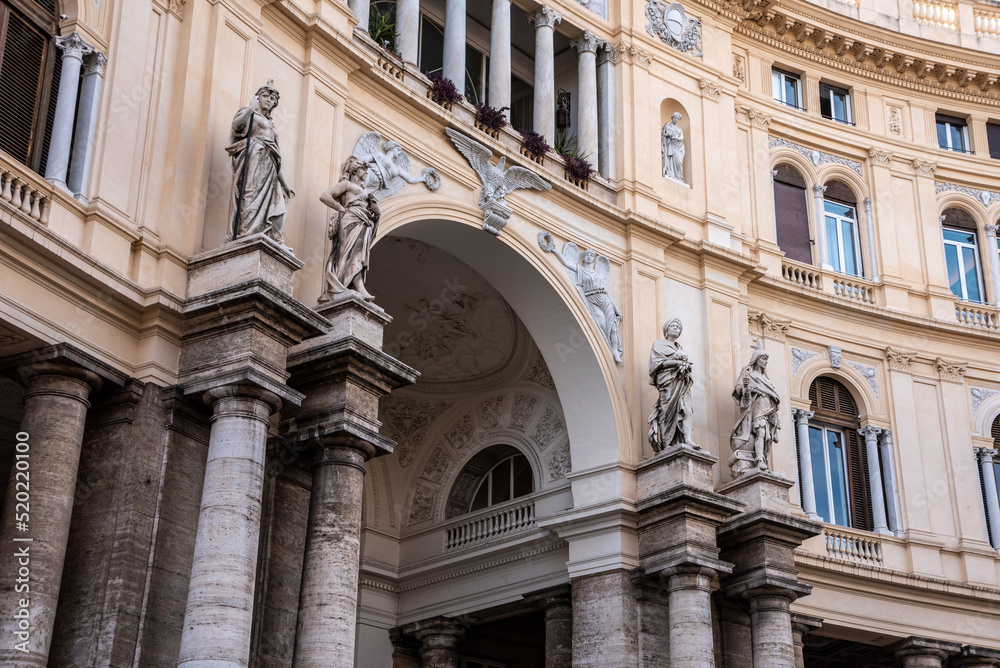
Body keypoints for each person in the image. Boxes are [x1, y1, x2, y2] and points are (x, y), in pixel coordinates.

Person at [227, 79, 295, 246]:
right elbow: (236, 126)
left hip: (270, 166)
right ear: (258, 97)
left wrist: (285, 185)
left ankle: (275, 239)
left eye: (272, 99)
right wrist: (250, 108)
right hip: (254, 160)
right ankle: (247, 233)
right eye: (265, 96)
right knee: (250, 196)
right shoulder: (249, 114)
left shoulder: (272, 126)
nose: (269, 100)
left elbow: (277, 159)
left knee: (277, 204)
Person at [319, 157, 380, 302]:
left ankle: (356, 286)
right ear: (355, 170)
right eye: (363, 169)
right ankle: (342, 286)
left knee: (359, 255)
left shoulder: (364, 190)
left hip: (364, 223)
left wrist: (376, 212)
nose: (366, 173)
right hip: (350, 220)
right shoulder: (346, 184)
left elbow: (375, 213)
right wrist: (341, 209)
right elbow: (325, 196)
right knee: (347, 253)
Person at [647, 318, 696, 451]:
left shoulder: (680, 348)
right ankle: (666, 443)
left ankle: (687, 439)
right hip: (667, 381)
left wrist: (685, 367)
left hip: (682, 381)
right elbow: (656, 364)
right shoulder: (658, 345)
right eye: (673, 326)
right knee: (666, 410)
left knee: (686, 409)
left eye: (678, 327)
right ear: (666, 330)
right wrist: (676, 363)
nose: (675, 328)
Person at [729, 347, 781, 474]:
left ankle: (764, 460)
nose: (766, 362)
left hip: (769, 408)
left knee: (767, 437)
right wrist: (746, 387)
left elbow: (773, 394)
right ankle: (759, 460)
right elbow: (739, 389)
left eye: (767, 359)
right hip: (756, 407)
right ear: (756, 359)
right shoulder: (748, 374)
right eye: (763, 358)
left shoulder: (766, 379)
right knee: (761, 430)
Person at [661, 112, 685, 182]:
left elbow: (682, 138)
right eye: (675, 118)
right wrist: (668, 134)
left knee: (679, 161)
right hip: (671, 146)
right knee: (671, 160)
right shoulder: (668, 125)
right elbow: (663, 134)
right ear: (672, 118)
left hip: (678, 147)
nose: (676, 120)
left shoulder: (680, 129)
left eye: (678, 119)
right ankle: (671, 173)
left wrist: (675, 138)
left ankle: (679, 177)